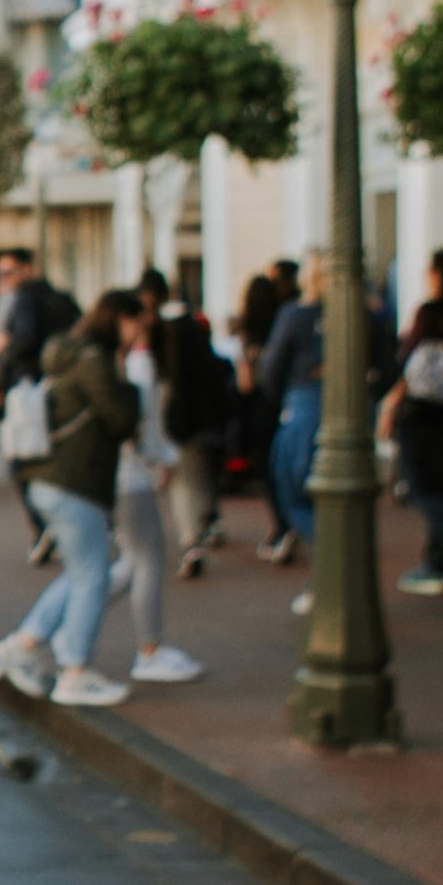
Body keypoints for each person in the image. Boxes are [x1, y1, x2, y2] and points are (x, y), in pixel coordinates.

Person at [0, 290, 143, 708]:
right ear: (121, 319)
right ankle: (75, 671)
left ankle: (23, 643)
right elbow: (121, 419)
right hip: (74, 481)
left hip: (49, 479)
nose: (140, 333)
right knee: (93, 575)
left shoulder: (68, 355)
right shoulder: (95, 361)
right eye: (137, 323)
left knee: (82, 570)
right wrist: (130, 384)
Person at [109, 306, 205, 684]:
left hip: (126, 475)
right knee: (145, 561)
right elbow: (144, 426)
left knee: (130, 564)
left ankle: (56, 626)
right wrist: (163, 458)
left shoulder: (119, 363)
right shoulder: (138, 364)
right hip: (131, 478)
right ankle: (149, 649)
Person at [135, 269, 228, 579]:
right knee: (191, 478)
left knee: (178, 481)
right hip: (193, 417)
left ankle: (190, 539)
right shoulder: (189, 327)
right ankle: (199, 532)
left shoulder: (155, 334)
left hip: (170, 417)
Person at [0, 248, 83, 565]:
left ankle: (44, 526)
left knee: (23, 461)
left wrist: (6, 346)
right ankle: (65, 524)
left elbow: (25, 340)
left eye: (9, 272)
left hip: (28, 391)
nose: (3, 279)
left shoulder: (25, 300)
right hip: (63, 390)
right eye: (0, 273)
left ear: (28, 269)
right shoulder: (63, 300)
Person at [378, 249, 443, 597]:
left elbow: (407, 364)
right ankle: (434, 565)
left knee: (421, 488)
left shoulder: (429, 313)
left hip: (422, 415)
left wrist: (389, 407)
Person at [259, 253, 328, 615]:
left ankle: (330, 572)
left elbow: (272, 368)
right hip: (341, 405)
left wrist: (280, 397)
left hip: (305, 406)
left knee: (293, 486)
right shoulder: (361, 313)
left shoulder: (295, 315)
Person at [226, 275, 294, 564]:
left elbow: (245, 383)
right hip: (285, 402)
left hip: (259, 407)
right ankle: (287, 523)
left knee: (269, 469)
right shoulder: (283, 324)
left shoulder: (248, 334)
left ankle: (282, 525)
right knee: (285, 467)